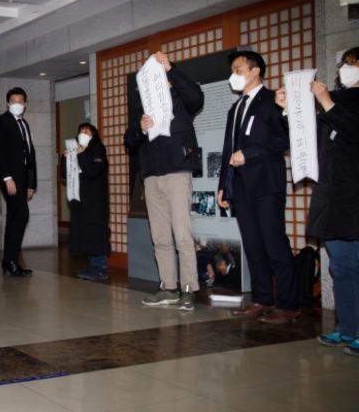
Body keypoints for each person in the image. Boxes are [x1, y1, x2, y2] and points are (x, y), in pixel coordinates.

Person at [276, 46, 359, 355]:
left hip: (355, 195)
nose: (346, 69)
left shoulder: (333, 103)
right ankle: (347, 328)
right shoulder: (335, 101)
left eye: (353, 64)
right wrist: (289, 110)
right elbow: (306, 140)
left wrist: (327, 103)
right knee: (341, 266)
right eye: (345, 64)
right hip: (332, 197)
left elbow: (354, 131)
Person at [217, 50, 298, 324]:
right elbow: (228, 149)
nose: (234, 75)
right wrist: (223, 185)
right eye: (232, 70)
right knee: (252, 245)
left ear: (255, 71)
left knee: (274, 244)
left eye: (238, 70)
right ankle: (262, 298)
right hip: (241, 185)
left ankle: (288, 304)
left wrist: (249, 153)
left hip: (266, 183)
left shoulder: (272, 100)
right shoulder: (236, 108)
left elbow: (284, 138)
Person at [124, 51, 204, 311]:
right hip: (151, 175)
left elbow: (197, 97)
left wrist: (171, 69)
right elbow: (129, 142)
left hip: (178, 172)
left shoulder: (181, 98)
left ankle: (188, 289)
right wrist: (141, 129)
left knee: (182, 234)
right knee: (159, 236)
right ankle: (168, 287)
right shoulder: (141, 109)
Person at [0, 87, 36, 276]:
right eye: (13, 101)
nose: (17, 104)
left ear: (25, 104)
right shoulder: (1, 121)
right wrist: (7, 178)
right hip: (10, 177)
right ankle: (10, 260)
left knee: (14, 217)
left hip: (23, 177)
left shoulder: (24, 123)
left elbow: (30, 154)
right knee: (22, 214)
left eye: (20, 101)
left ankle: (9, 262)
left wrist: (31, 182)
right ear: (8, 103)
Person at [60, 123, 111, 280]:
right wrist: (65, 157)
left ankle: (100, 267)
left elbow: (93, 172)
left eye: (87, 131)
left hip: (95, 202)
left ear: (93, 135)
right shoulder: (74, 148)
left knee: (96, 233)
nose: (83, 133)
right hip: (79, 201)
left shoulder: (98, 149)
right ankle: (92, 265)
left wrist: (81, 155)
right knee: (84, 234)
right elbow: (65, 174)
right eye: (81, 131)